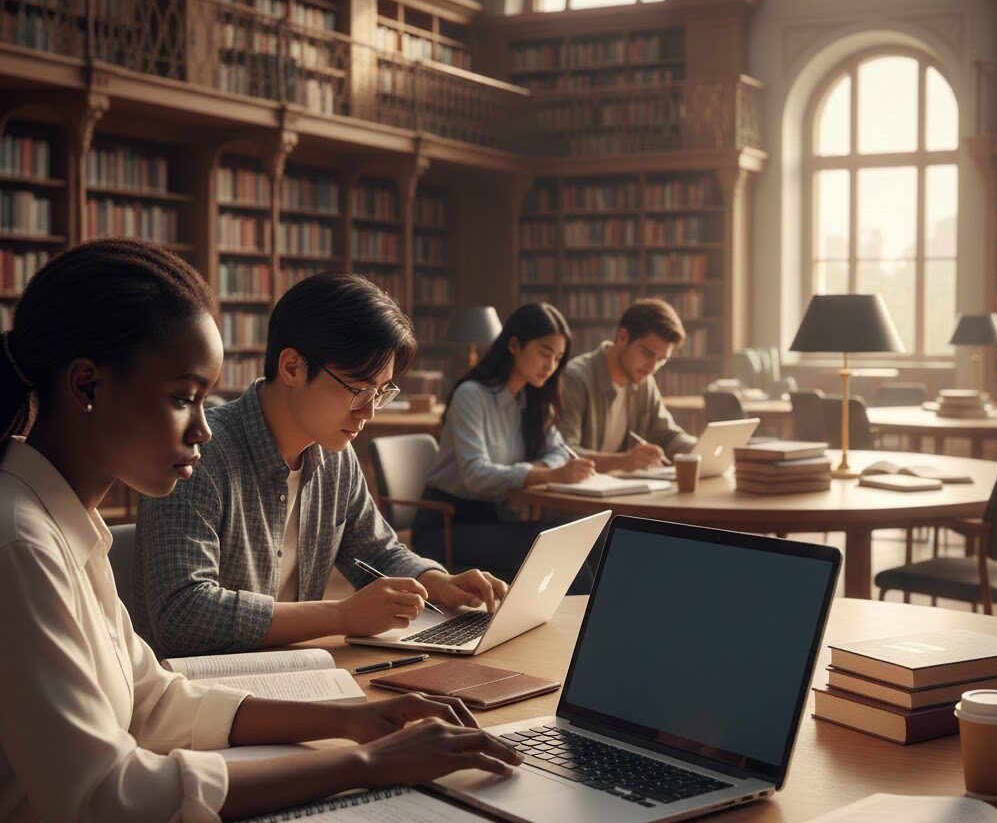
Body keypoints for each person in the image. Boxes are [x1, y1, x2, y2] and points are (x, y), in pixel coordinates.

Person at [0, 239, 519, 821]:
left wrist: (351, 722)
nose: (201, 429)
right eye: (181, 399)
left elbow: (151, 700)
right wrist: (365, 764)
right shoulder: (20, 543)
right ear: (87, 386)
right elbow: (105, 795)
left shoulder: (68, 525)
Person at [134, 272, 508, 660]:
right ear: (293, 367)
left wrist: (437, 582)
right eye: (358, 390)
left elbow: (376, 551)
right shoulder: (200, 452)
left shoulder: (334, 455)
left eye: (381, 393)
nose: (369, 413)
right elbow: (182, 615)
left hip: (294, 670)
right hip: (201, 692)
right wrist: (340, 615)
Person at [411, 303, 595, 585]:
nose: (551, 366)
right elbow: (476, 475)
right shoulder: (471, 396)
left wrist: (540, 468)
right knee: (566, 557)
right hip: (448, 525)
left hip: (496, 520)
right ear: (514, 345)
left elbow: (559, 450)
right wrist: (546, 474)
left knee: (592, 540)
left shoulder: (532, 400)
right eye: (545, 354)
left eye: (558, 358)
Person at [559, 298, 697, 472]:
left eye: (661, 360)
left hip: (621, 492)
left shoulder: (644, 380)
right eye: (647, 353)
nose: (652, 368)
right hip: (578, 494)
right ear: (622, 337)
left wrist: (698, 447)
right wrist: (622, 461)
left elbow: (667, 435)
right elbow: (562, 453)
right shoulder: (576, 378)